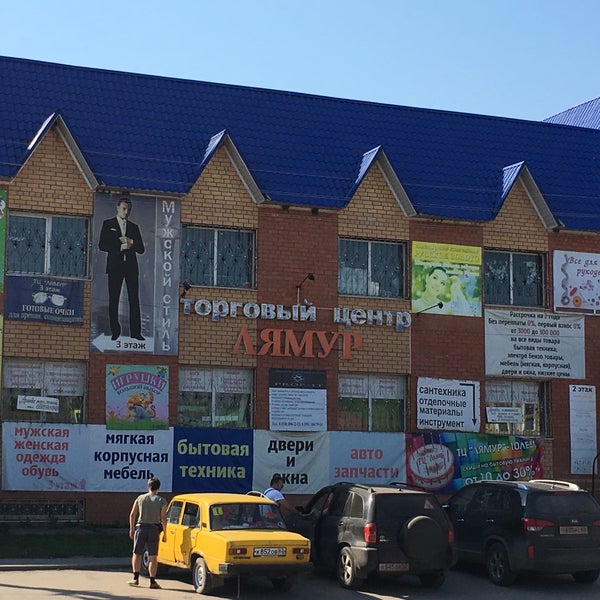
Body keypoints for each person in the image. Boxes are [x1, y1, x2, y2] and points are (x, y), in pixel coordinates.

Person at [99, 197, 145, 341]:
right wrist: (119, 247)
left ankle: (136, 332)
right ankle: (115, 331)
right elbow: (102, 245)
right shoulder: (108, 224)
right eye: (124, 209)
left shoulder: (134, 227)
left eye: (129, 209)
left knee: (134, 299)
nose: (126, 212)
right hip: (115, 266)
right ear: (118, 208)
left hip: (131, 267)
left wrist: (131, 242)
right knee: (114, 299)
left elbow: (141, 249)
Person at [127, 476, 168, 589]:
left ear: (148, 487)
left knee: (137, 553)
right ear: (158, 488)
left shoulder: (140, 498)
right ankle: (152, 581)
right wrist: (165, 532)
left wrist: (131, 528)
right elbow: (163, 518)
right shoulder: (161, 501)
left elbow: (132, 514)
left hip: (141, 528)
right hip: (154, 529)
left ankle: (135, 578)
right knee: (153, 556)